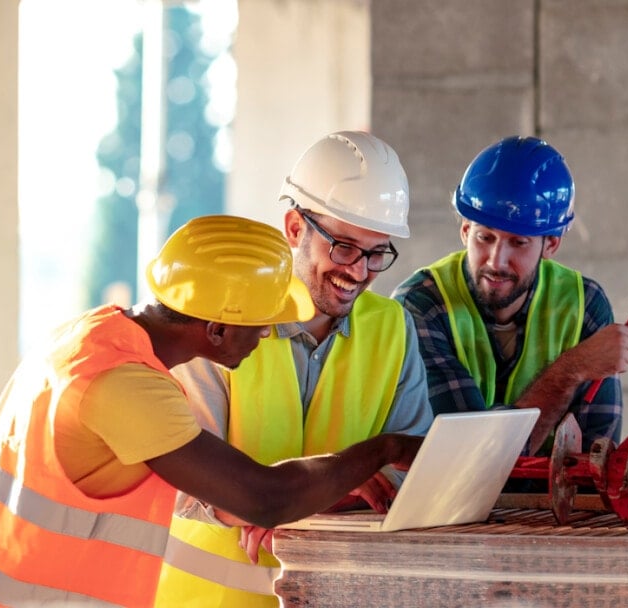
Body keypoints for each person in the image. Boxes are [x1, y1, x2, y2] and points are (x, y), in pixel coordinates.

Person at [0, 215, 423, 608]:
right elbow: (264, 497)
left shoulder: (94, 335)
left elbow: (234, 499)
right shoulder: (126, 386)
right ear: (216, 328)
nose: (268, 335)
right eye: (263, 322)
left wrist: (327, 491)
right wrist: (386, 448)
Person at [155, 132, 435, 608]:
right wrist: (337, 481)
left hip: (335, 595)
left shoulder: (394, 329)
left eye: (376, 253)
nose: (360, 271)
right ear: (293, 228)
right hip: (212, 597)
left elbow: (409, 476)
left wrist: (307, 497)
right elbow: (187, 484)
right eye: (344, 246)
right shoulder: (220, 318)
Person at [392, 135, 628, 459]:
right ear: (465, 231)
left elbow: (595, 463)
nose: (496, 260)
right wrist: (569, 372)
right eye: (485, 237)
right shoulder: (419, 306)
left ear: (550, 245)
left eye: (518, 242)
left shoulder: (584, 305)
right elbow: (471, 460)